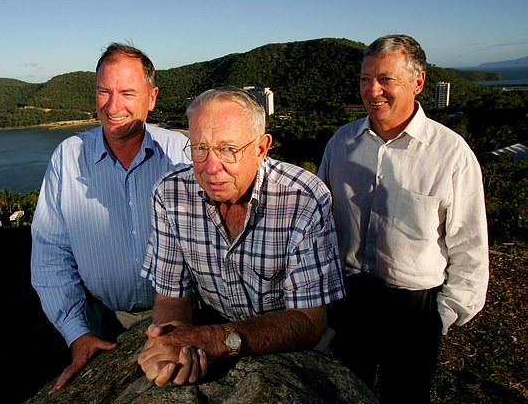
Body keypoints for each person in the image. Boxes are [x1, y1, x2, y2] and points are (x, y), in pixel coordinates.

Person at [317, 34, 489, 404]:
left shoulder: (450, 154)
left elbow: (470, 245)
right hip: (351, 298)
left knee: (406, 396)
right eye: (365, 79)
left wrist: (441, 317)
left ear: (418, 82)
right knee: (347, 393)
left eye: (385, 79)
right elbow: (321, 223)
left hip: (414, 307)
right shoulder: (341, 143)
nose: (373, 90)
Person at [138, 86, 345, 387]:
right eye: (200, 148)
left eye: (227, 149)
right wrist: (176, 343)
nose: (211, 167)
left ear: (261, 149)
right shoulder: (169, 195)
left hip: (294, 348)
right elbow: (172, 293)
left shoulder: (302, 199)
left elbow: (310, 321)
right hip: (214, 332)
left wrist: (214, 339)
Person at [30, 43, 189, 393]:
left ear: (152, 98)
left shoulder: (181, 153)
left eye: (127, 93)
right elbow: (50, 255)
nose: (113, 106)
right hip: (102, 323)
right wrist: (77, 333)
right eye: (104, 91)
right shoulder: (68, 158)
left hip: (183, 315)